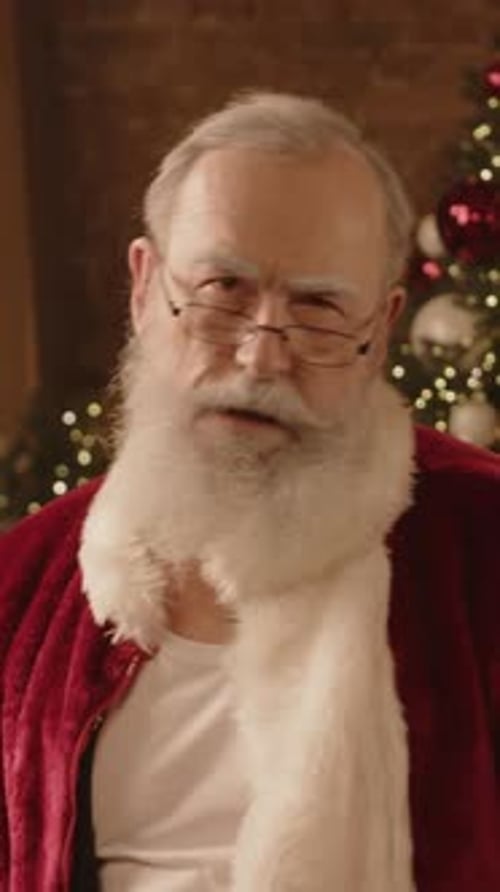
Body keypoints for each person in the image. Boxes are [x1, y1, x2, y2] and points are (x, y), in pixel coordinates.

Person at [0, 92, 498, 892]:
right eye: (222, 289)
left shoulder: (484, 546)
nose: (262, 358)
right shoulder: (17, 590)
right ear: (144, 287)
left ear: (380, 330)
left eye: (318, 307)